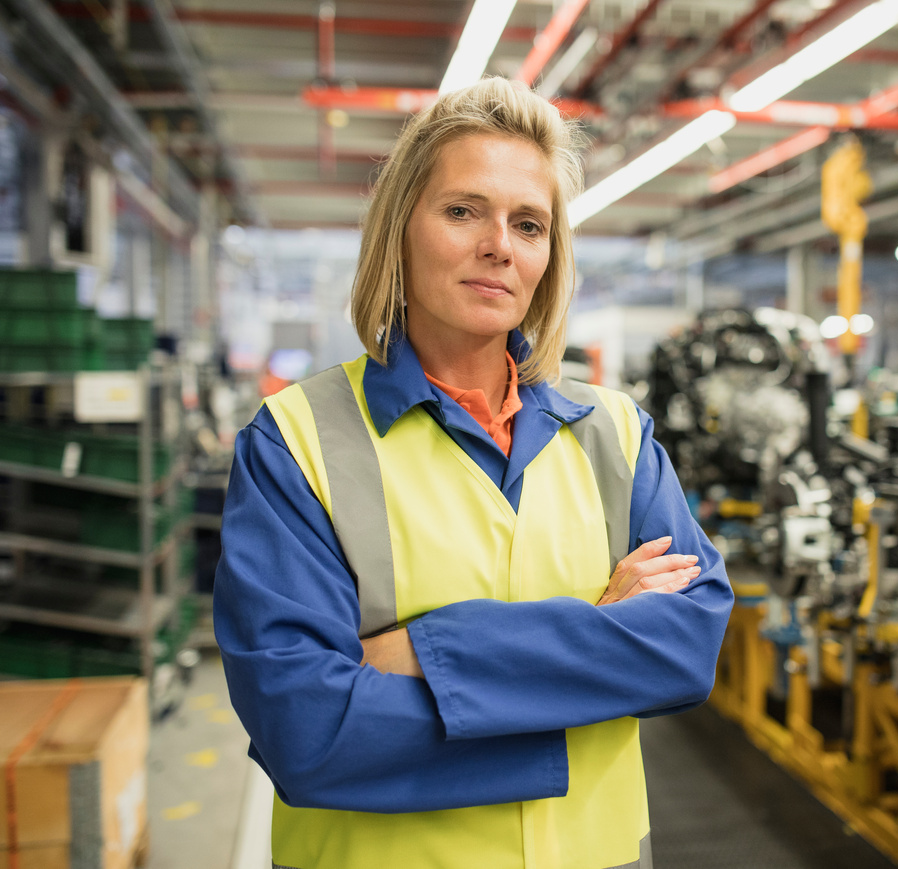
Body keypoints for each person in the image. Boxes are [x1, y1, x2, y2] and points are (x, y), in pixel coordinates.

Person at [213, 77, 733, 869]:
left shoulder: (616, 434)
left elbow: (686, 646)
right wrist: (597, 634)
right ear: (401, 230)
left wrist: (416, 648)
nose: (500, 244)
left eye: (529, 223)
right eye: (463, 211)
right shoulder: (297, 442)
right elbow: (305, 727)